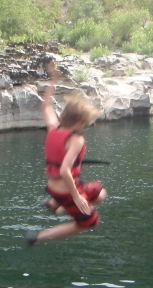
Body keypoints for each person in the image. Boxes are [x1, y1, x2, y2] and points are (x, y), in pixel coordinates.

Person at [25, 59, 107, 245]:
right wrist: (77, 198)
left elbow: (46, 106)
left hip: (54, 187)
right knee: (89, 222)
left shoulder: (54, 127)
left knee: (99, 194)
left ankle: (55, 205)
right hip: (67, 191)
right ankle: (37, 237)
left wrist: (53, 79)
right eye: (85, 122)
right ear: (79, 121)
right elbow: (64, 171)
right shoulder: (76, 140)